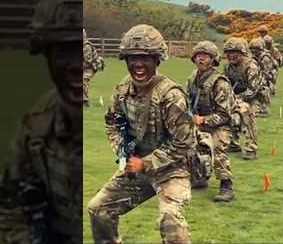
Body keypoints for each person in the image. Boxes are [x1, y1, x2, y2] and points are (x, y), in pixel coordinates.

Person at [0, 0, 84, 243]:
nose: (77, 66)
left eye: (83, 50)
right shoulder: (38, 125)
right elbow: (13, 204)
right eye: (62, 52)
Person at [88, 24, 197, 244]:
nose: (138, 64)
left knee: (170, 221)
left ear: (157, 59)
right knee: (98, 209)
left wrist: (145, 163)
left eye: (145, 58)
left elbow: (184, 142)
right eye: (132, 58)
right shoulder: (122, 91)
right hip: (135, 167)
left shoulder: (170, 95)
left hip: (172, 169)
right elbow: (113, 123)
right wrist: (123, 151)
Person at [187, 41, 234, 201]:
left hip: (219, 125)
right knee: (182, 141)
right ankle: (198, 177)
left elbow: (224, 114)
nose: (200, 59)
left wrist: (203, 119)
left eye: (205, 56)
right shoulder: (192, 78)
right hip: (197, 120)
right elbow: (189, 102)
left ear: (213, 59)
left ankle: (226, 186)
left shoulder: (220, 82)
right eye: (198, 56)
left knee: (218, 147)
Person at [223, 37, 260, 160]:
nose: (230, 56)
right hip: (235, 97)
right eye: (228, 53)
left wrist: (238, 98)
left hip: (252, 98)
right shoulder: (228, 67)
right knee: (226, 114)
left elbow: (253, 89)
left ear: (241, 52)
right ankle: (233, 143)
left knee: (247, 117)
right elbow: (225, 84)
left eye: (234, 52)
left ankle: (251, 148)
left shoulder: (251, 66)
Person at [83, 29, 104, 106]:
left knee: (83, 80)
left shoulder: (86, 46)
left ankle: (85, 101)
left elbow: (88, 62)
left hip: (91, 66)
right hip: (85, 65)